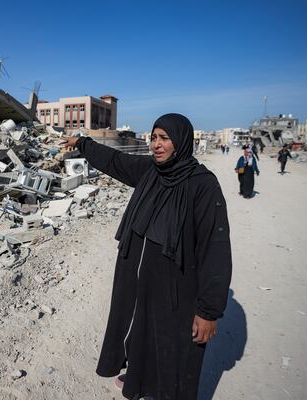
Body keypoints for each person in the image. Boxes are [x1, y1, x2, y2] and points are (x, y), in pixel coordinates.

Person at [61, 113, 232, 400]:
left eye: (164, 138)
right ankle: (140, 379)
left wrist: (209, 311)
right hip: (141, 278)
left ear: (180, 141)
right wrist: (82, 143)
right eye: (153, 137)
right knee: (142, 332)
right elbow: (115, 161)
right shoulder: (150, 172)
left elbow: (215, 248)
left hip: (177, 286)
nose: (156, 144)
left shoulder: (202, 185)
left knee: (172, 346)